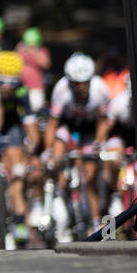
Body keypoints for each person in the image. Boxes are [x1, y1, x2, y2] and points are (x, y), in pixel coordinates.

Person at [44, 51, 113, 227]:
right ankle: (61, 198)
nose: (81, 87)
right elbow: (52, 124)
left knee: (89, 176)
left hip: (90, 128)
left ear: (91, 80)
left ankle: (97, 223)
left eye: (85, 83)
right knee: (58, 152)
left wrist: (99, 144)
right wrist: (49, 151)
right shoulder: (61, 89)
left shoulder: (100, 89)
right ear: (69, 81)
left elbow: (103, 122)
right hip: (68, 126)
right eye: (76, 83)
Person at [0, 50, 40, 246]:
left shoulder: (21, 91)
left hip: (11, 125)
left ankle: (20, 221)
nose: (6, 87)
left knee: (16, 166)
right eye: (2, 81)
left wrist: (33, 149)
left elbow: (30, 124)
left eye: (12, 83)